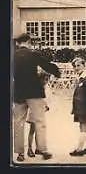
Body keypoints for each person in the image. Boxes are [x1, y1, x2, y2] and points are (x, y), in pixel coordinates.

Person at [13, 33, 61, 162]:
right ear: (28, 42)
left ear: (18, 43)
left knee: (18, 123)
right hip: (34, 92)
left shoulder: (12, 55)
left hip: (18, 92)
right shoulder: (34, 54)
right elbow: (47, 65)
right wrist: (57, 72)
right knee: (40, 122)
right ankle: (43, 149)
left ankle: (20, 153)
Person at [69, 57, 86, 157]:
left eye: (79, 65)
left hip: (84, 107)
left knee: (82, 127)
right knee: (84, 126)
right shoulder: (79, 78)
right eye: (75, 66)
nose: (76, 68)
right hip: (79, 107)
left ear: (84, 66)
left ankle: (79, 149)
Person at [26, 71, 51, 158]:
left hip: (40, 112)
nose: (46, 82)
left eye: (48, 80)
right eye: (45, 79)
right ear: (40, 79)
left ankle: (38, 148)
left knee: (39, 131)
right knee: (32, 130)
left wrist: (46, 106)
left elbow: (42, 100)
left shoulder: (43, 88)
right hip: (34, 112)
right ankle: (29, 149)